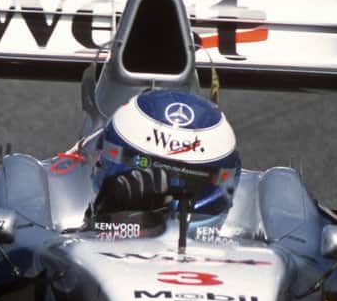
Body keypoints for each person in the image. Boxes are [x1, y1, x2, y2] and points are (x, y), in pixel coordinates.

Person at [89, 90, 240, 236]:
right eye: (145, 171)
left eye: (187, 179)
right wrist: (103, 219)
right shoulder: (77, 230)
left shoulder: (244, 239)